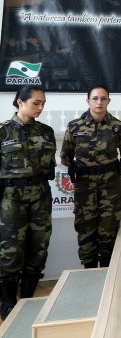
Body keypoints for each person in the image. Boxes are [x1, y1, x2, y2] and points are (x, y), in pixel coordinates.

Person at [60, 86, 121, 270]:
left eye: (103, 98)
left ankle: (109, 270)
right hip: (84, 185)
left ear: (109, 101)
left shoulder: (119, 127)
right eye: (95, 98)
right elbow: (65, 157)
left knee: (109, 227)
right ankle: (90, 270)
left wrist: (108, 171)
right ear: (88, 101)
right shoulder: (74, 126)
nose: (99, 102)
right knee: (85, 228)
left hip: (111, 185)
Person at [0, 87, 55, 320]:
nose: (41, 107)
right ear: (20, 102)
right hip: (10, 198)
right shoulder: (3, 132)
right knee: (11, 251)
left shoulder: (46, 131)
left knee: (39, 248)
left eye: (43, 103)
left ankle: (28, 299)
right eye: (36, 103)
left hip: (41, 195)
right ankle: (9, 301)